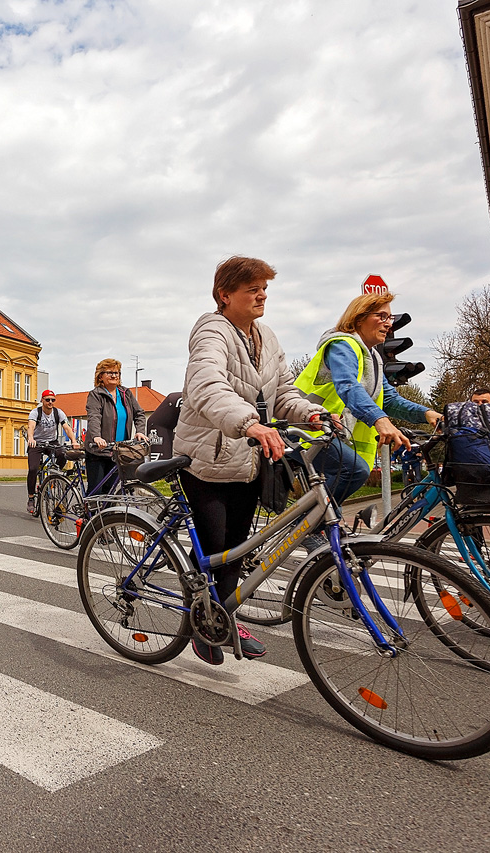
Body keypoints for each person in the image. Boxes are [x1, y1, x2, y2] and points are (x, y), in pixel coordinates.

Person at [173, 256, 329, 665]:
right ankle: (201, 622)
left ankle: (222, 616)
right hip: (206, 456)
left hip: (246, 459)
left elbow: (283, 392)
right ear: (225, 295)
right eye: (252, 289)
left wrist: (309, 413)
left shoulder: (268, 338)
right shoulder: (212, 330)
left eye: (264, 289)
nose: (261, 295)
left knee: (238, 551)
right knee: (215, 544)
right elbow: (206, 385)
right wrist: (249, 423)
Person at [295, 293, 441, 505]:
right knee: (354, 471)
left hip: (327, 436)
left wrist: (426, 413)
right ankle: (308, 531)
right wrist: (380, 421)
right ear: (358, 318)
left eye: (390, 318)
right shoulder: (341, 345)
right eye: (381, 316)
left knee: (335, 505)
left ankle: (315, 528)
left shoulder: (372, 358)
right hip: (305, 431)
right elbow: (347, 385)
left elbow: (389, 400)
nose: (388, 324)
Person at [84, 359, 147, 495]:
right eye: (110, 372)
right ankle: (89, 516)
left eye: (117, 372)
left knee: (110, 491)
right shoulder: (96, 394)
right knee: (96, 491)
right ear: (100, 376)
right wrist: (96, 437)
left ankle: (107, 516)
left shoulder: (126, 394)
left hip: (118, 451)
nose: (114, 376)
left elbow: (139, 413)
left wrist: (140, 432)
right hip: (98, 451)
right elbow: (94, 416)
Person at [26, 389, 79, 514]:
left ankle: (53, 473)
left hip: (51, 442)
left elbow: (66, 427)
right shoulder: (35, 412)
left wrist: (73, 440)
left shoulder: (58, 413)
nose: (50, 402)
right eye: (47, 399)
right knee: (33, 469)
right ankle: (31, 497)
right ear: (42, 400)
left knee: (62, 454)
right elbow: (31, 426)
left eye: (53, 400)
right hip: (37, 443)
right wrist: (31, 438)